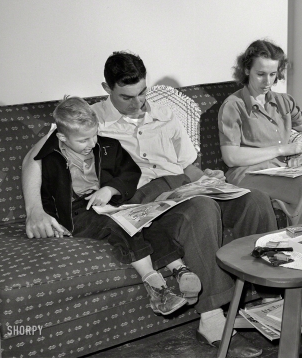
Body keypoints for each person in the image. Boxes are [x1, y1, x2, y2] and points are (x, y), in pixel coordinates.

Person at [23, 52, 276, 358]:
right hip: (146, 198)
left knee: (255, 199)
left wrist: (207, 177)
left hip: (184, 184)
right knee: (202, 209)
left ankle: (267, 299)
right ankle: (212, 319)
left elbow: (188, 166)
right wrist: (35, 211)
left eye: (142, 92)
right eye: (127, 97)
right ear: (107, 87)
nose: (138, 102)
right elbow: (33, 158)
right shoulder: (88, 121)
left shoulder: (166, 114)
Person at [218, 39, 302, 306]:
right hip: (246, 173)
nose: (267, 80)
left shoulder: (282, 101)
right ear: (246, 70)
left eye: (273, 74)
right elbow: (231, 156)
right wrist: (281, 149)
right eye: (261, 73)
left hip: (280, 171)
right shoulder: (233, 106)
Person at [36, 96, 199, 316]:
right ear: (62, 137)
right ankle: (156, 288)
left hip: (108, 202)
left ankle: (179, 268)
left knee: (143, 220)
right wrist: (52, 220)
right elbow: (45, 195)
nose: (92, 144)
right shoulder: (51, 159)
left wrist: (110, 189)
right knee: (121, 225)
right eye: (83, 140)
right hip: (75, 213)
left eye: (94, 135)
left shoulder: (107, 146)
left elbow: (130, 172)